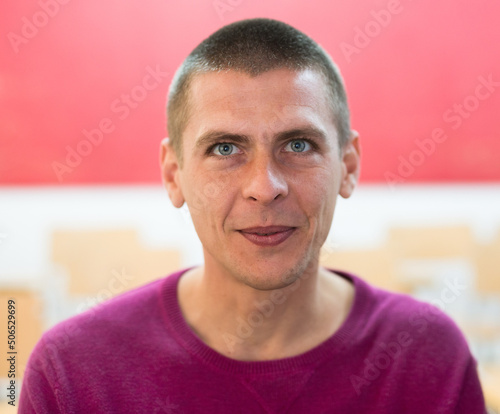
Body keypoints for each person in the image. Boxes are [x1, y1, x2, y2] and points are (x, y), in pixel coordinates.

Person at [19, 18, 486, 413]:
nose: (265, 187)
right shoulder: (73, 375)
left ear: (348, 166)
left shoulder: (426, 357)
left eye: (298, 145)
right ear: (173, 174)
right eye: (225, 148)